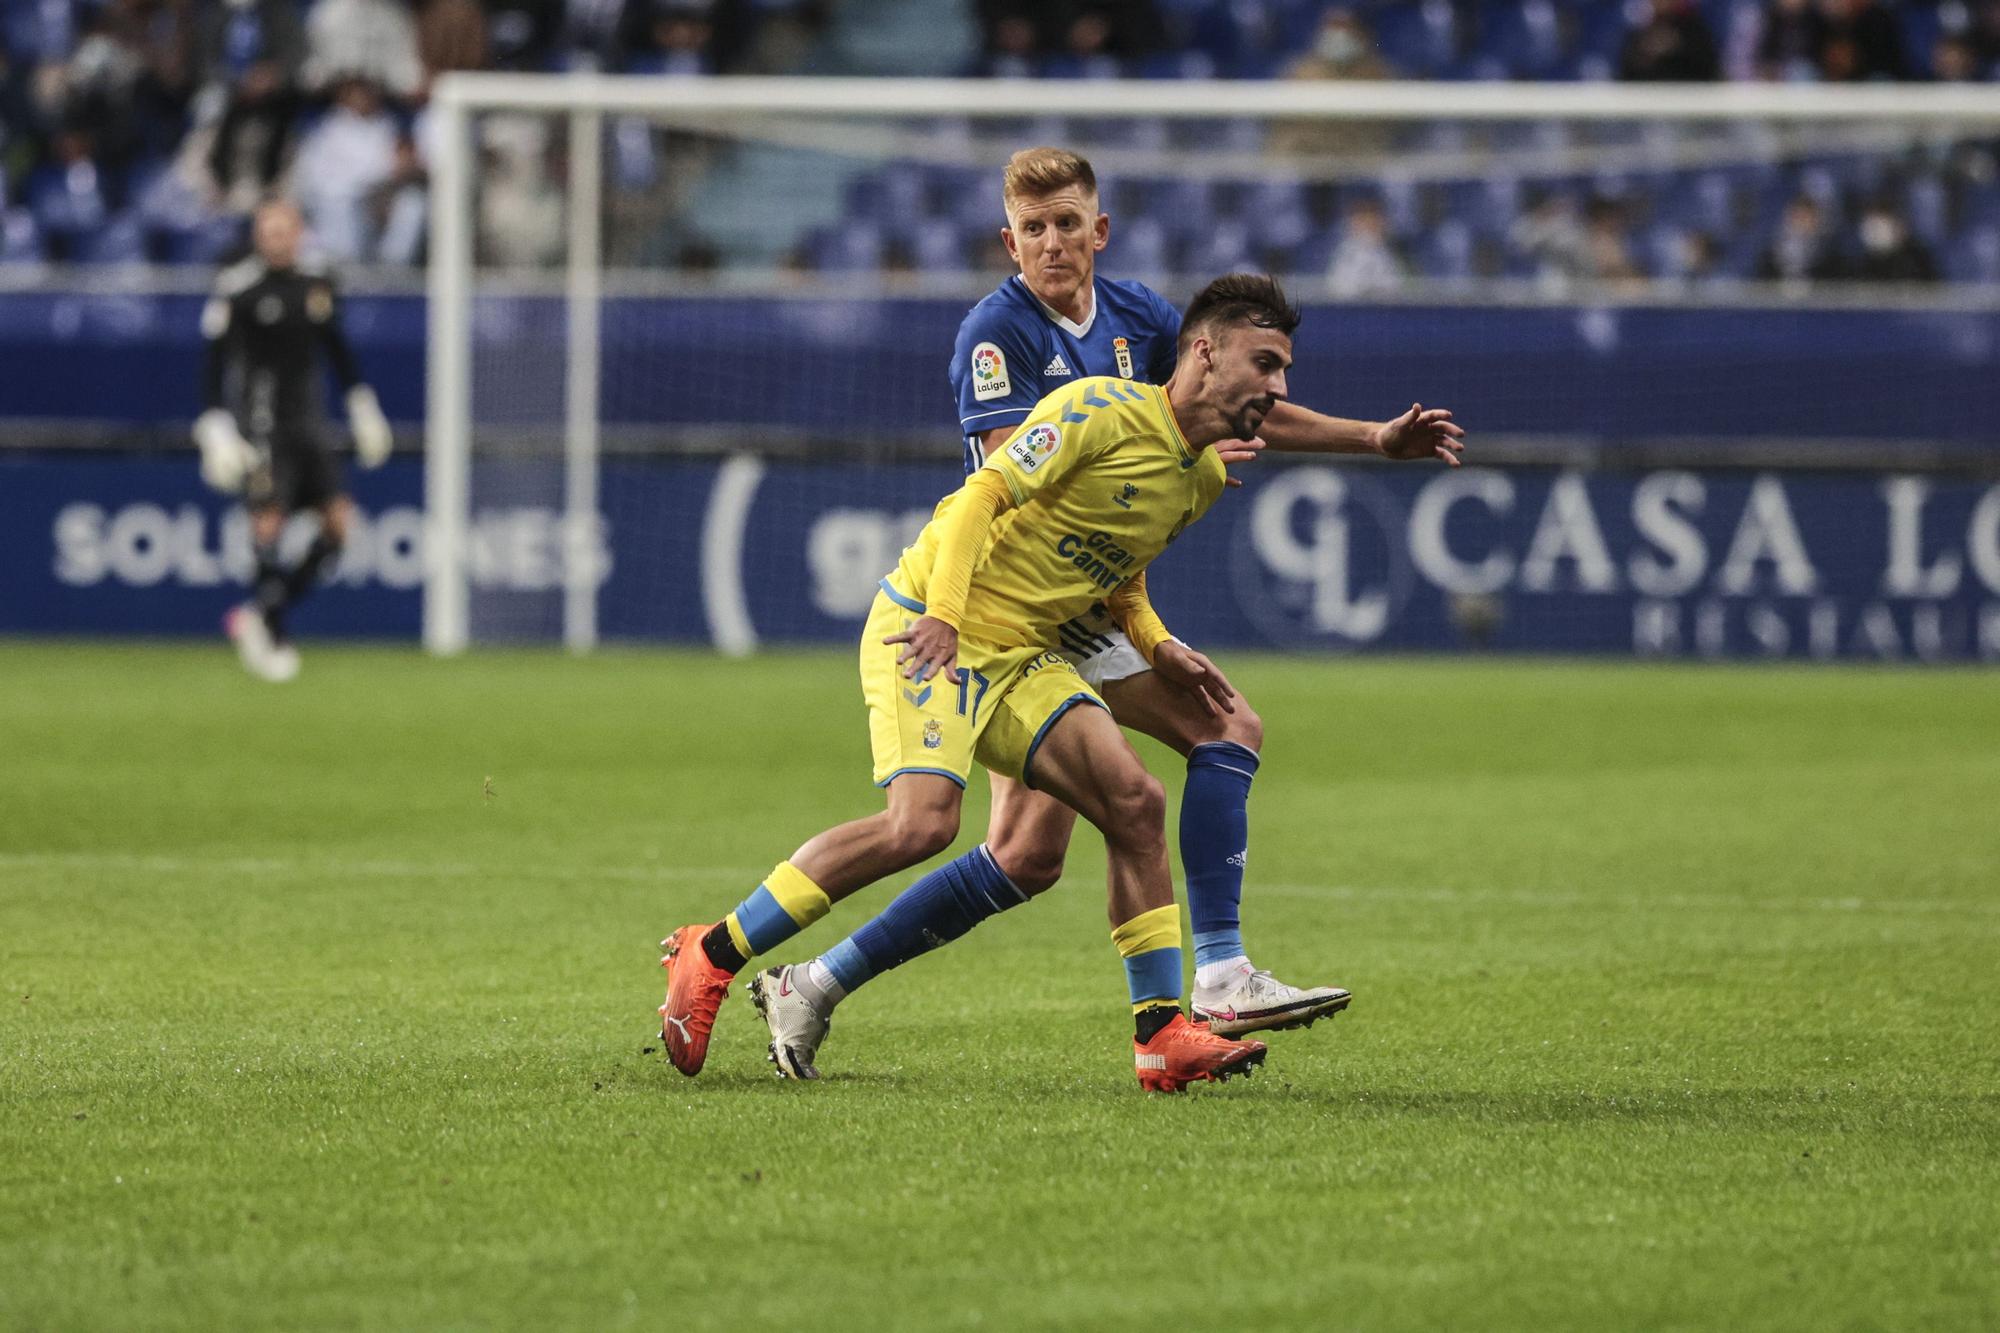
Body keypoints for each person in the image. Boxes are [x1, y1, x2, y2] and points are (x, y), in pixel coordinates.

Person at [743, 148, 1464, 1081]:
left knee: (1029, 855)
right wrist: (1134, 603)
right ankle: (1215, 976)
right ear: (1011, 241)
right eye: (1034, 229)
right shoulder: (995, 333)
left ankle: (815, 983)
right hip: (1026, 607)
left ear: (1099, 230)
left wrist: (1369, 437)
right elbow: (1022, 491)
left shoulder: (1142, 319)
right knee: (1211, 730)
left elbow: (1238, 397)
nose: (1053, 243)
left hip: (1083, 602)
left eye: (1068, 224)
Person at [660, 276, 1329, 1093]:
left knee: (1133, 798)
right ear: (1204, 351)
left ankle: (1161, 1036)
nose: (1280, 388)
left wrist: (1155, 646)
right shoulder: (1098, 409)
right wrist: (942, 612)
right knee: (922, 824)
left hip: (1024, 653)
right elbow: (984, 491)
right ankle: (715, 949)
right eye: (1265, 363)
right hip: (929, 623)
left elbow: (1116, 576)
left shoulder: (1201, 478)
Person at [195, 199, 391, 681]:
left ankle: (260, 614)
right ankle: (276, 633)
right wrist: (216, 428)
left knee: (340, 524)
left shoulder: (318, 282)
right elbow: (214, 366)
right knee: (268, 525)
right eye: (268, 230)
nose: (276, 238)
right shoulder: (238, 288)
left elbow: (338, 349)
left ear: (299, 232)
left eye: (285, 230)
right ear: (258, 235)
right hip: (263, 425)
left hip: (310, 422)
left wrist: (362, 405)